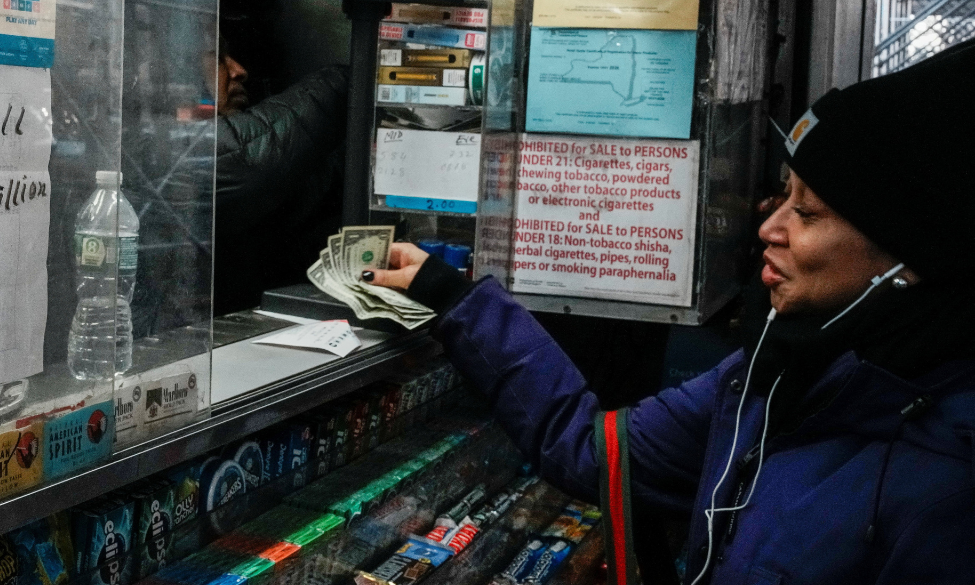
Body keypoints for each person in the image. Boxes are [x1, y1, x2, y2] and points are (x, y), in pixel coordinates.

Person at [362, 40, 975, 583]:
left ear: (908, 259)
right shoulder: (768, 374)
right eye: (782, 196)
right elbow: (595, 451)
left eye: (808, 213)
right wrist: (454, 298)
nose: (770, 228)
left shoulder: (946, 482)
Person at [214, 42, 349, 313]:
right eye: (216, 57)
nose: (238, 70)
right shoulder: (156, 143)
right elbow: (248, 158)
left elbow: (305, 190)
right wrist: (352, 76)